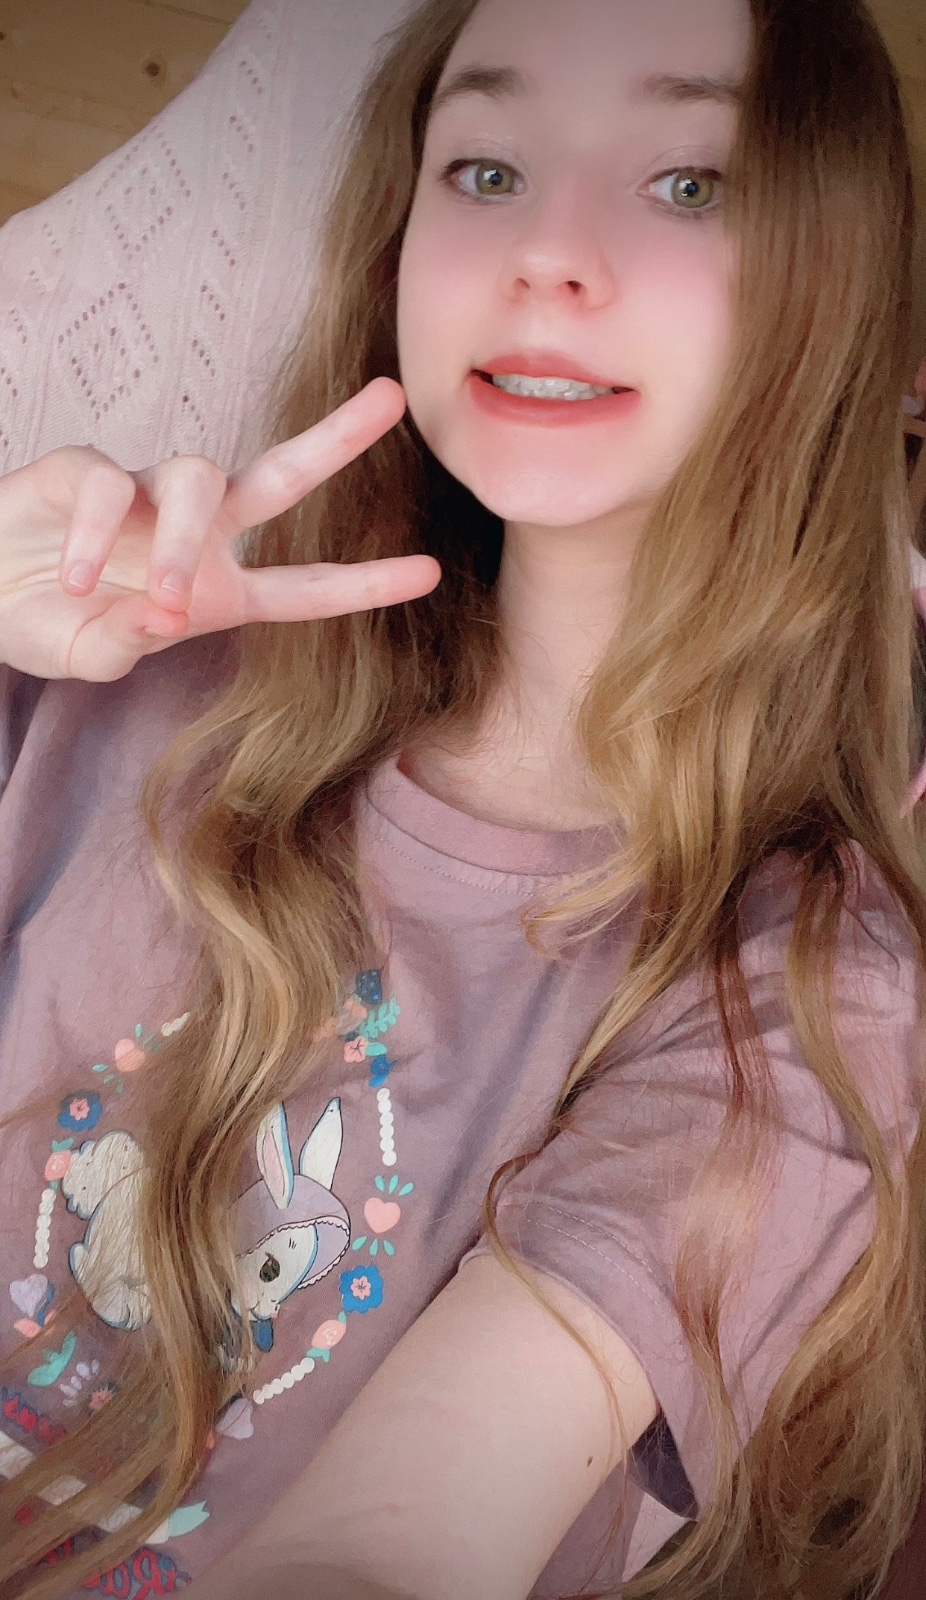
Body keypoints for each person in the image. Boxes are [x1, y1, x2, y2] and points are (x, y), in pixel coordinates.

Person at [0, 2, 925, 1599]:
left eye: (688, 181)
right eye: (486, 170)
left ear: (833, 280)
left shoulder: (815, 988)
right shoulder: (117, 666)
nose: (545, 254)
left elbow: (390, 1550)